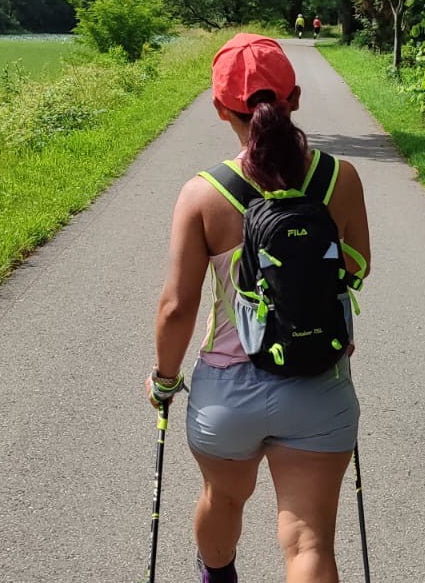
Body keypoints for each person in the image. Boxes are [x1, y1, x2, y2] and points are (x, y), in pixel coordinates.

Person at [148, 33, 371, 583]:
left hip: (227, 394)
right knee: (309, 541)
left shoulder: (202, 194)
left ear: (221, 108)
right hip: (317, 379)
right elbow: (359, 267)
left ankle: (216, 577)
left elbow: (178, 305)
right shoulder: (339, 179)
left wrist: (164, 380)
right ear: (293, 97)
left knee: (221, 501)